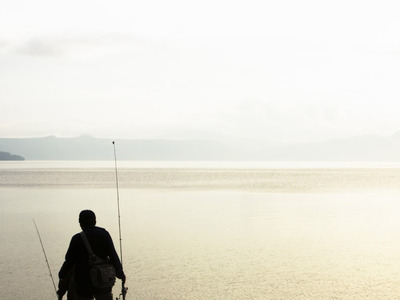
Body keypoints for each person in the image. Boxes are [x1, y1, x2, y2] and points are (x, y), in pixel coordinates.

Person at [58, 210, 126, 300]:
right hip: (103, 282)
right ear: (95, 221)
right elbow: (113, 256)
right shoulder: (104, 234)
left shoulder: (77, 239)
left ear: (80, 223)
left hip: (83, 285)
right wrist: (120, 274)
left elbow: (69, 262)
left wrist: (61, 275)